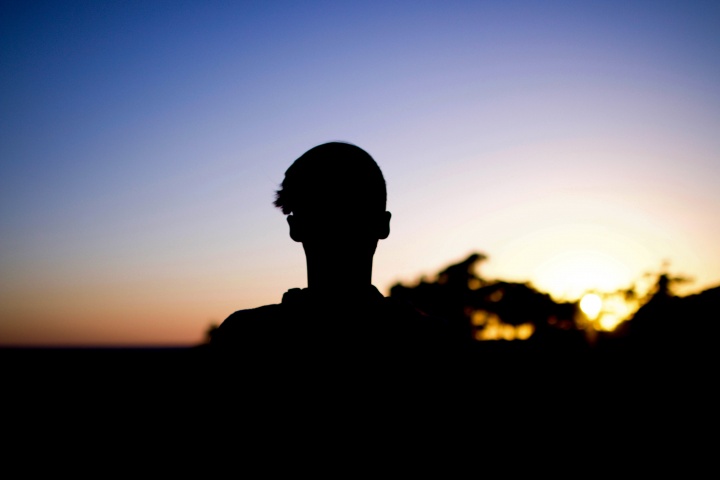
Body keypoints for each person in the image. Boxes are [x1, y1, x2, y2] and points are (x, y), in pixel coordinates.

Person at [210, 142, 464, 368]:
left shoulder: (246, 337)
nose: (339, 223)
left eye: (349, 211)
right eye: (327, 212)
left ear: (295, 227)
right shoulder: (431, 341)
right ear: (383, 225)